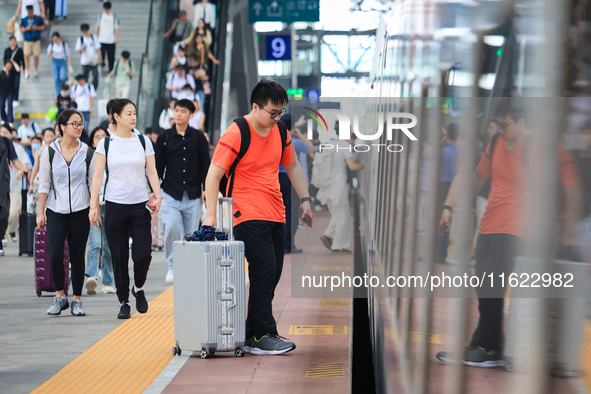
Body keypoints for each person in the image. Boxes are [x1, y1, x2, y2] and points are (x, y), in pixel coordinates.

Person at [436, 99, 582, 367]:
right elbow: (476, 178)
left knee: (492, 284)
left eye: (505, 126)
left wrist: (568, 230)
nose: (499, 130)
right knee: (484, 284)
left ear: (522, 122)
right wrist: (449, 206)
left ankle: (488, 347)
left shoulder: (541, 146)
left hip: (520, 228)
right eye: (497, 125)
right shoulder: (496, 145)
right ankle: (488, 343)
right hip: (490, 224)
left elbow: (570, 187)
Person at [202, 79, 312, 355]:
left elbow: (293, 167)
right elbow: (213, 175)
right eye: (272, 113)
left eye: (280, 113)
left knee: (272, 273)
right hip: (246, 213)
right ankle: (265, 333)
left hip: (276, 211)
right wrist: (211, 216)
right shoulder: (237, 132)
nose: (276, 119)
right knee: (264, 269)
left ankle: (251, 333)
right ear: (255, 106)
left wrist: (306, 200)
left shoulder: (281, 131)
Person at [89, 99, 162, 319]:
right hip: (114, 206)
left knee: (143, 255)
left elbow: (152, 172)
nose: (133, 117)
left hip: (140, 206)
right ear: (116, 117)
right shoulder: (106, 144)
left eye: (135, 113)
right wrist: (93, 205)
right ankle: (123, 301)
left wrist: (158, 195)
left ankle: (138, 288)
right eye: (128, 113)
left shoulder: (143, 141)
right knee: (119, 256)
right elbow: (98, 177)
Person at [37, 109, 95, 316]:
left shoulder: (87, 152)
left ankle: (77, 300)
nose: (79, 127)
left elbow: (93, 183)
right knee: (54, 254)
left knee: (78, 255)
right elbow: (44, 184)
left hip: (81, 210)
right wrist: (40, 212)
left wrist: (93, 208)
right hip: (55, 210)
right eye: (75, 124)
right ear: (63, 127)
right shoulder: (50, 152)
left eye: (81, 124)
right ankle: (60, 296)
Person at [155, 99, 210, 283]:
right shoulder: (164, 137)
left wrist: (205, 189)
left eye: (183, 111)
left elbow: (205, 165)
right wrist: (155, 191)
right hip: (170, 192)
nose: (178, 114)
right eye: (176, 110)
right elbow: (157, 166)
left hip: (193, 194)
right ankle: (172, 266)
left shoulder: (198, 137)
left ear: (191, 115)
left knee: (191, 234)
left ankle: (189, 267)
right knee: (171, 227)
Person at [315, 125, 364, 253]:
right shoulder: (344, 146)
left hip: (327, 185)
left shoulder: (329, 145)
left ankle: (328, 235)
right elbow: (352, 166)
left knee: (337, 214)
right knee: (343, 215)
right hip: (338, 184)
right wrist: (365, 166)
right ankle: (339, 244)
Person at [85, 127, 115, 295]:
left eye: (105, 136)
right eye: (98, 137)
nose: (102, 139)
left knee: (108, 246)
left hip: (111, 206)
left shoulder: (114, 159)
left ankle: (109, 281)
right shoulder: (89, 160)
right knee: (95, 243)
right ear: (92, 142)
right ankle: (91, 276)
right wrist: (92, 206)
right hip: (95, 206)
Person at [278, 113, 312, 253]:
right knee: (291, 213)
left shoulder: (276, 138)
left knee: (278, 212)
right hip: (290, 179)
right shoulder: (293, 141)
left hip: (275, 178)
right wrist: (297, 131)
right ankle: (288, 244)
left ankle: (278, 243)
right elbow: (310, 148)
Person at [436, 123, 459, 263]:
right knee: (446, 222)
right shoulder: (458, 151)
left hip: (442, 186)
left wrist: (441, 141)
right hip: (453, 188)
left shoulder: (443, 151)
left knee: (437, 221)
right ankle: (442, 254)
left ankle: (436, 253)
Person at [21, 5, 45, 79]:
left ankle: (35, 70)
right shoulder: (24, 19)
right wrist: (27, 29)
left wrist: (36, 28)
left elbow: (43, 27)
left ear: (33, 10)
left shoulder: (38, 18)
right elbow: (22, 29)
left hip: (36, 40)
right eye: (28, 10)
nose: (30, 11)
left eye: (31, 9)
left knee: (36, 56)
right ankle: (27, 71)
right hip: (27, 40)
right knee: (27, 56)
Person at [94, 1, 119, 72]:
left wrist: (116, 37)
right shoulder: (100, 16)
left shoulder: (114, 17)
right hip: (102, 39)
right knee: (101, 56)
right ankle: (101, 68)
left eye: (108, 9)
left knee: (111, 56)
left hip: (111, 40)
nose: (107, 10)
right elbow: (97, 26)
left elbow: (116, 28)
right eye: (106, 9)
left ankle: (111, 70)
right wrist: (95, 36)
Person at [75, 24, 102, 90]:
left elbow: (98, 48)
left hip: (93, 60)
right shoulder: (80, 39)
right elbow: (78, 50)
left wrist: (101, 58)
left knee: (95, 76)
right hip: (85, 61)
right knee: (85, 77)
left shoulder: (93, 37)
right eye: (84, 31)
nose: (85, 32)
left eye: (86, 30)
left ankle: (93, 89)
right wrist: (82, 48)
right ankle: (86, 89)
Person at [47, 32, 72, 97]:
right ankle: (58, 94)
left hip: (62, 61)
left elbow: (68, 55)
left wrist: (69, 65)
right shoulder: (52, 45)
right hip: (55, 61)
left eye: (56, 39)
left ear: (59, 38)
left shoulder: (63, 44)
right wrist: (51, 52)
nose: (55, 40)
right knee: (56, 79)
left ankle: (63, 89)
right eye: (54, 39)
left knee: (62, 77)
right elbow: (48, 54)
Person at [3, 37, 24, 107]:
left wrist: (24, 68)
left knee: (16, 84)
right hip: (10, 70)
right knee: (10, 84)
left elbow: (22, 60)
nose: (12, 42)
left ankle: (15, 99)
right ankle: (10, 97)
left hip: (17, 70)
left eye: (14, 41)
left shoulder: (19, 50)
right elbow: (4, 60)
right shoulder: (7, 50)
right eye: (11, 41)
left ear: (16, 42)